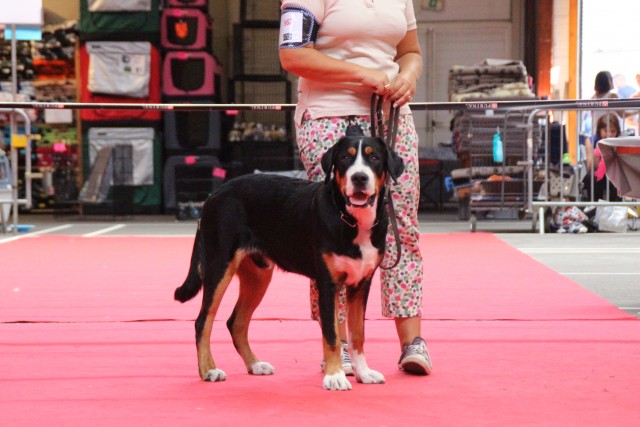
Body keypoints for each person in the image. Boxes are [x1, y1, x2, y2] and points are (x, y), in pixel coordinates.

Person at [278, 0, 432, 375]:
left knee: (402, 230)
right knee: (330, 232)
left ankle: (412, 342)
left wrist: (409, 76)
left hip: (391, 117)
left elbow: (409, 51)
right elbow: (293, 57)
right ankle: (338, 346)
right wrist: (362, 74)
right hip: (329, 117)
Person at [582, 114, 622, 202]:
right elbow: (590, 167)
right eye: (605, 130)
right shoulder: (591, 141)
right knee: (591, 177)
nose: (609, 134)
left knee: (617, 178)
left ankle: (615, 208)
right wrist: (597, 152)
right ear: (599, 130)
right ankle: (594, 207)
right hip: (597, 175)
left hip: (613, 174)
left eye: (613, 131)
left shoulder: (620, 141)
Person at [590, 71, 622, 139]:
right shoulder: (612, 96)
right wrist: (636, 111)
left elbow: (592, 115)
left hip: (598, 131)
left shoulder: (593, 98)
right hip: (612, 131)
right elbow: (621, 113)